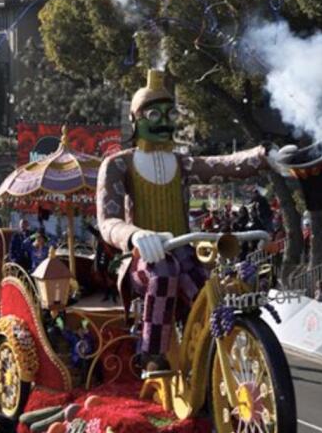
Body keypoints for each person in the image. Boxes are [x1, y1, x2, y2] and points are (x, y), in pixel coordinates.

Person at [96, 69, 270, 375]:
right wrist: (136, 236)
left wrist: (265, 157)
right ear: (135, 120)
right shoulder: (117, 164)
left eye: (169, 113)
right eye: (154, 113)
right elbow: (107, 221)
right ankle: (151, 356)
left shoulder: (181, 162)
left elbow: (224, 166)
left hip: (184, 251)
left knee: (210, 292)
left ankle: (215, 364)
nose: (164, 120)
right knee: (164, 272)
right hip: (142, 260)